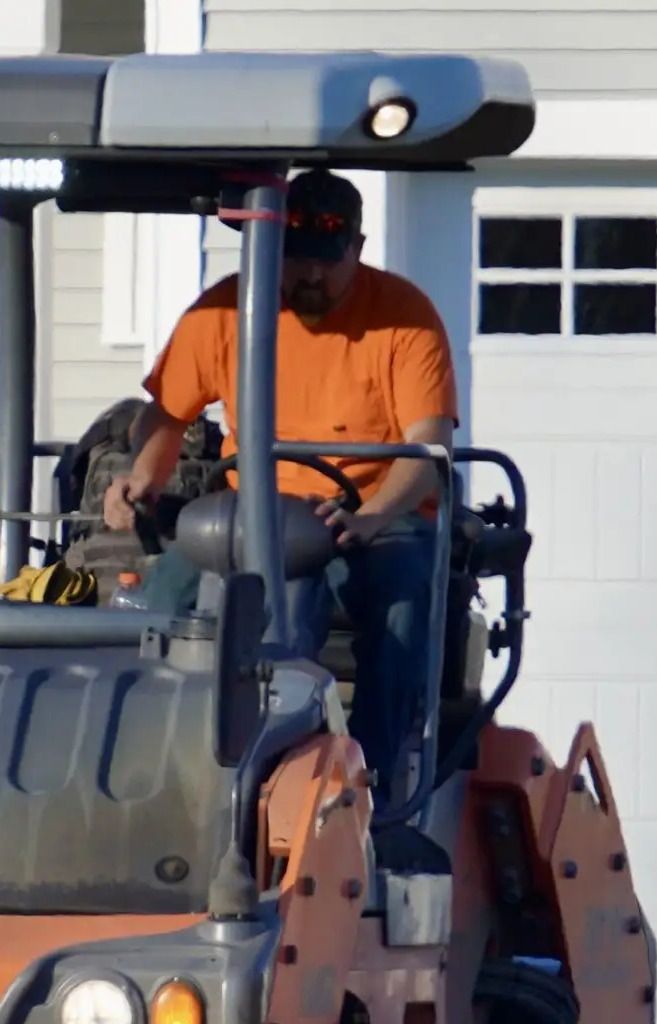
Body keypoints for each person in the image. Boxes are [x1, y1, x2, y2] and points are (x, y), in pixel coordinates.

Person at [102, 169, 458, 786]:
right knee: (158, 605)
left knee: (405, 601)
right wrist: (142, 480)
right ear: (269, 252)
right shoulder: (223, 311)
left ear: (358, 248)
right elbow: (167, 415)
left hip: (370, 517)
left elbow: (427, 448)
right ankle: (139, 761)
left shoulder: (405, 318)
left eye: (326, 261)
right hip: (254, 511)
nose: (310, 277)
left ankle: (370, 780)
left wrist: (370, 517)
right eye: (294, 262)